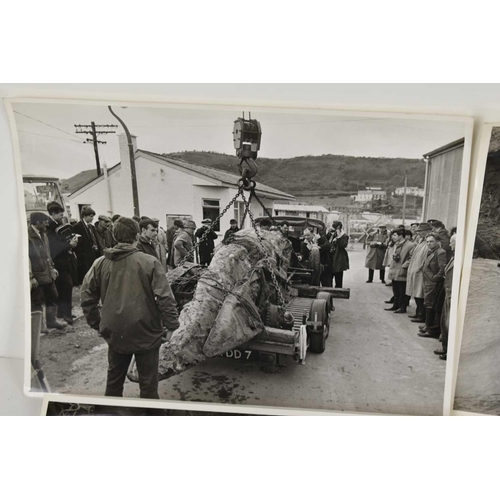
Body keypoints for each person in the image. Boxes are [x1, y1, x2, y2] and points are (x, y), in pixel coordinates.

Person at [81, 217, 180, 399]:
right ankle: (151, 415)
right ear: (136, 235)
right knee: (149, 384)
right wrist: (171, 326)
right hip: (146, 331)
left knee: (114, 380)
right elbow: (165, 297)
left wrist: (98, 324)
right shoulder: (149, 262)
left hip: (115, 330)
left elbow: (86, 297)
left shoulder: (100, 263)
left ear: (114, 235)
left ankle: (108, 414)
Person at [28, 212, 66, 330]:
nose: (47, 225)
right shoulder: (27, 237)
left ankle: (51, 321)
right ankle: (39, 326)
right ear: (38, 223)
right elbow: (26, 259)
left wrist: (52, 268)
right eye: (44, 223)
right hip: (36, 275)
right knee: (37, 301)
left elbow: (48, 254)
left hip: (47, 273)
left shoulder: (43, 235)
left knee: (53, 296)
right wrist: (31, 277)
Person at [46, 202, 78, 325]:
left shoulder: (57, 224)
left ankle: (61, 312)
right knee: (66, 286)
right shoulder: (49, 226)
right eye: (60, 214)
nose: (62, 216)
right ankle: (66, 314)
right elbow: (54, 245)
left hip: (64, 260)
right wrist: (68, 245)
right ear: (53, 214)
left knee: (62, 286)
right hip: (58, 261)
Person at [418, 233, 447, 338]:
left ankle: (430, 327)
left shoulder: (440, 252)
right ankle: (427, 324)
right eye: (427, 241)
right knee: (427, 303)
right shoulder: (431, 251)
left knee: (431, 304)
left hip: (433, 283)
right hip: (428, 282)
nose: (429, 243)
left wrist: (435, 278)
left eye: (431, 241)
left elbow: (442, 268)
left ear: (438, 242)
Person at [405, 222, 433, 323]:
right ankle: (418, 312)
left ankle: (421, 315)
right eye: (419, 232)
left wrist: (420, 268)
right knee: (417, 294)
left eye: (421, 231)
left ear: (428, 231)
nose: (419, 233)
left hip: (420, 272)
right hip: (415, 270)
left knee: (420, 294)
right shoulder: (421, 242)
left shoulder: (428, 243)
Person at [434, 233, 456, 360]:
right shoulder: (453, 257)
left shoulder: (459, 257)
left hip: (452, 295)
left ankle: (449, 352)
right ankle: (445, 348)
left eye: (452, 242)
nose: (450, 244)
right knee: (445, 322)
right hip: (447, 293)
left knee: (450, 323)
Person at [385, 229, 415, 313]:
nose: (392, 237)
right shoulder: (395, 244)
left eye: (395, 235)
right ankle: (395, 305)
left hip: (402, 271)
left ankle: (402, 307)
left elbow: (412, 257)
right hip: (394, 270)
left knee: (402, 291)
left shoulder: (410, 245)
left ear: (401, 235)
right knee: (396, 290)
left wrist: (404, 266)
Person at [73, 206, 103, 285]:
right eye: (90, 216)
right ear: (84, 216)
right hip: (83, 258)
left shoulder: (92, 227)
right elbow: (77, 244)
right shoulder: (77, 227)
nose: (92, 218)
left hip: (92, 256)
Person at [328, 221, 349, 288]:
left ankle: (338, 289)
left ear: (339, 227)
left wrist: (339, 237)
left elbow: (343, 245)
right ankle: (330, 289)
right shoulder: (331, 234)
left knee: (338, 274)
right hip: (331, 257)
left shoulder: (344, 235)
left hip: (339, 257)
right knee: (329, 275)